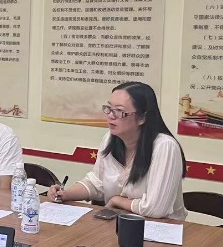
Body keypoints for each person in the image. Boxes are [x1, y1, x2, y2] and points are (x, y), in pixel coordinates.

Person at [48, 82, 187, 220]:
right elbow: (96, 184)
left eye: (119, 111)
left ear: (142, 118)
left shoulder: (165, 146)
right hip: (119, 222)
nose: (111, 115)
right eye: (109, 108)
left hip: (161, 228)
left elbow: (156, 209)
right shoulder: (110, 139)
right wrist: (66, 194)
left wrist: (117, 201)